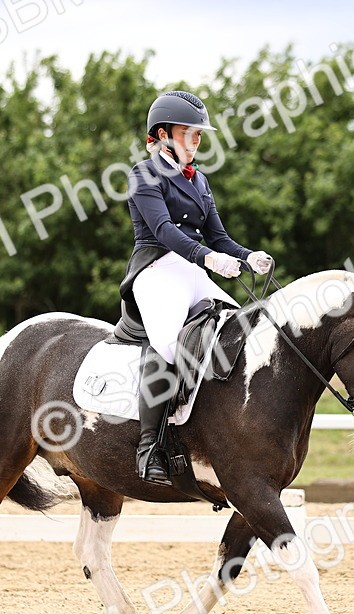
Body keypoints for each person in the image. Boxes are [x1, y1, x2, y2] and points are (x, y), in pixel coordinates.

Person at [121, 90, 274, 485]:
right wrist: (207, 258)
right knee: (170, 344)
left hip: (195, 269)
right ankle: (149, 447)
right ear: (164, 134)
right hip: (157, 270)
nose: (196, 141)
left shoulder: (200, 179)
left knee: (244, 332)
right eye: (190, 133)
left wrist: (247, 256)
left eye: (199, 135)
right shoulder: (143, 174)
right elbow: (163, 230)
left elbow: (218, 236)